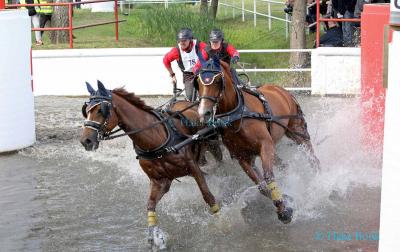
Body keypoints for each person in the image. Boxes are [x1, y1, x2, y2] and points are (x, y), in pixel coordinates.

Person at [163, 28, 207, 102]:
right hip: (188, 75)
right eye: (180, 40)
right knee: (190, 97)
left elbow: (209, 52)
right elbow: (165, 60)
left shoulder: (199, 45)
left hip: (202, 72)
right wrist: (172, 75)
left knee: (205, 95)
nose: (182, 43)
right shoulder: (176, 51)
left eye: (184, 40)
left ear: (190, 40)